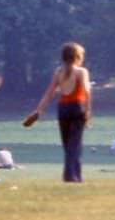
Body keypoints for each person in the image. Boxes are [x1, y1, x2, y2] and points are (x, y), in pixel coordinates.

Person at [24, 42, 92, 183]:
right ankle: (71, 176)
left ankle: (76, 175)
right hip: (77, 107)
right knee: (75, 143)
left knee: (68, 144)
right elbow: (86, 91)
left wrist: (38, 111)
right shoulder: (81, 72)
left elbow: (49, 93)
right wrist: (88, 110)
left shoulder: (58, 72)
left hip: (63, 108)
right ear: (78, 56)